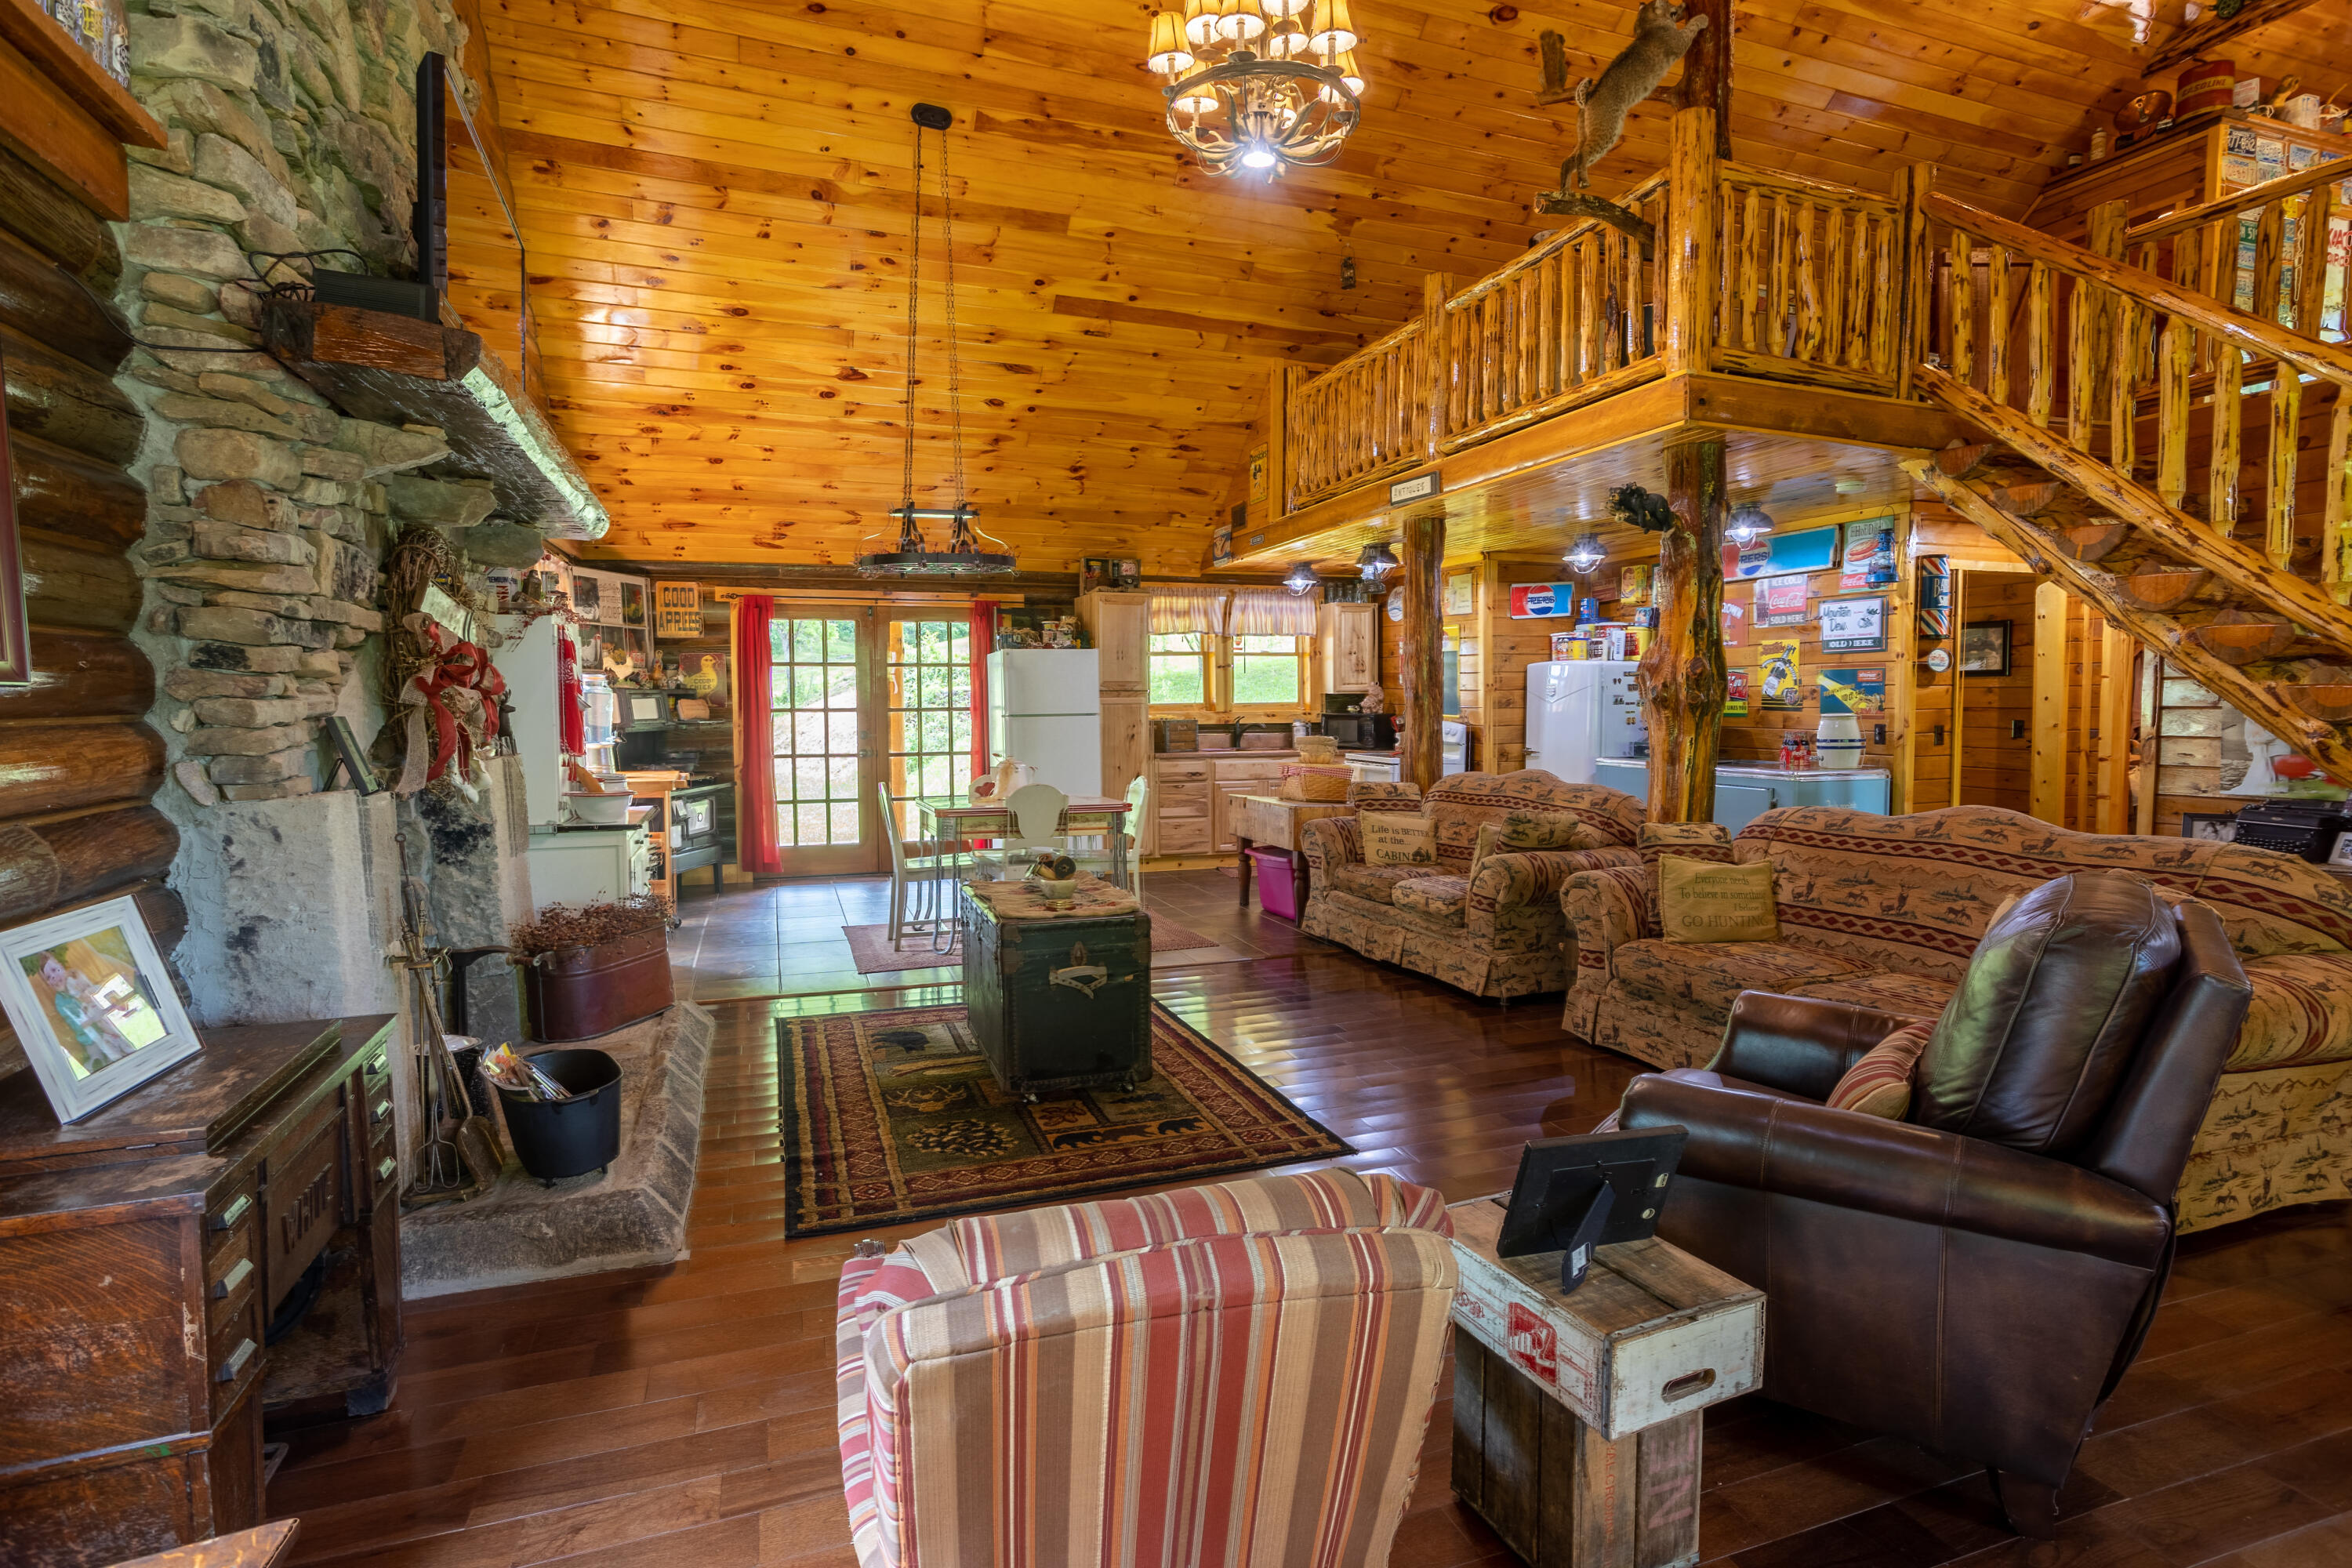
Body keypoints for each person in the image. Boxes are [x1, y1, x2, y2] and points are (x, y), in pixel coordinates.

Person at [34, 954, 139, 1073]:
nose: (54, 977)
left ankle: (126, 1054)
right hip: (90, 1038)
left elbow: (102, 995)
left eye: (54, 970)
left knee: (118, 1042)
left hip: (107, 1027)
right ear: (48, 983)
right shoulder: (61, 1001)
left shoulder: (78, 981)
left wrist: (89, 993)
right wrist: (92, 1017)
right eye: (49, 977)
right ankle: (99, 1062)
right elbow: (78, 1026)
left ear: (62, 967)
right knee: (97, 1052)